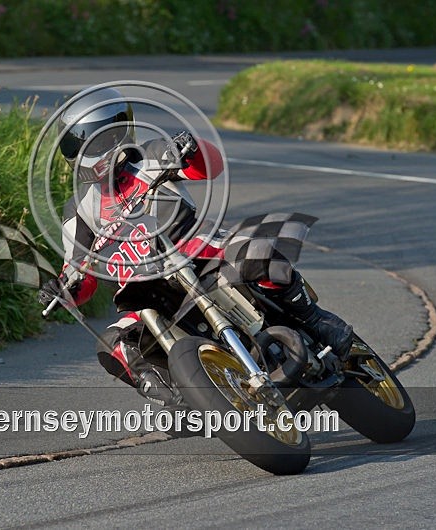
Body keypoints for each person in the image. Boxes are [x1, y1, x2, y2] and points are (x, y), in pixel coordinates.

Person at [38, 87, 352, 407]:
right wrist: (62, 291)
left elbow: (210, 167)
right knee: (112, 345)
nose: (96, 150)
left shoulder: (151, 155)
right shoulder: (79, 211)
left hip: (200, 253)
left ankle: (316, 320)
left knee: (257, 253)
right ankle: (182, 401)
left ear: (120, 132)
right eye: (87, 143)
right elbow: (79, 273)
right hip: (147, 294)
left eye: (102, 139)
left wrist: (190, 149)